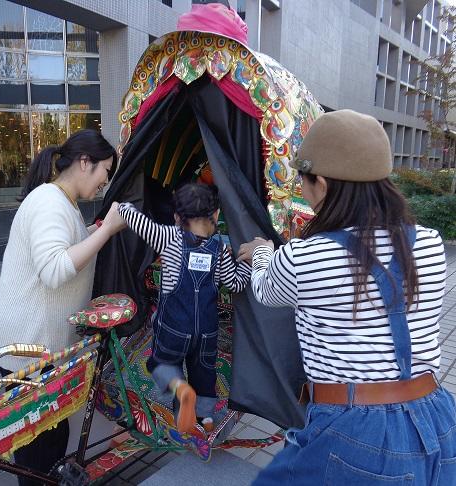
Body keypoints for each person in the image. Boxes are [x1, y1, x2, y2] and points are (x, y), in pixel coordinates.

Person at [238, 109, 456, 485]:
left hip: (356, 430)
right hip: (435, 415)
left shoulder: (306, 256)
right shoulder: (430, 243)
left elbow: (264, 288)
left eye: (303, 181)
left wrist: (261, 251)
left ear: (321, 184)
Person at [0, 129, 126, 485]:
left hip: (37, 345)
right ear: (84, 163)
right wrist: (105, 231)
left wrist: (94, 228)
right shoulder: (49, 200)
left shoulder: (63, 202)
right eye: (105, 172)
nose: (104, 184)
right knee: (38, 446)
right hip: (26, 346)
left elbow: (66, 248)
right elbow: (54, 269)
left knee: (49, 436)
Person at [118, 183, 251, 433]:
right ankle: (205, 418)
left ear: (178, 217)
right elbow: (235, 283)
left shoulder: (168, 237)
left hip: (173, 328)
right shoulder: (220, 250)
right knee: (204, 374)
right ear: (216, 216)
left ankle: (180, 390)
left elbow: (136, 220)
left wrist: (122, 207)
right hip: (207, 332)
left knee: (161, 364)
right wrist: (249, 263)